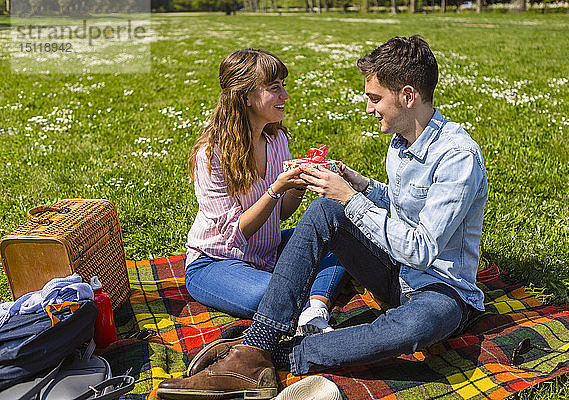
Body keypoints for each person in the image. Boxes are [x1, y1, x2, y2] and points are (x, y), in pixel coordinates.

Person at [158, 36, 488, 400]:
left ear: (407, 96)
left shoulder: (458, 157)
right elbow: (401, 203)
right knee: (325, 210)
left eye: (374, 98)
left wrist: (350, 198)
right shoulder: (402, 141)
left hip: (440, 289)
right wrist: (358, 184)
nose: (368, 108)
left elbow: (422, 249)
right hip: (394, 272)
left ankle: (274, 355)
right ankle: (259, 341)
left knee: (416, 325)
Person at [184, 48, 347, 336]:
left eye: (284, 86)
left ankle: (315, 310)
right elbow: (237, 233)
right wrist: (276, 188)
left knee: (342, 240)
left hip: (268, 253)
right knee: (271, 294)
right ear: (245, 97)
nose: (285, 95)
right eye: (274, 88)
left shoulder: (276, 139)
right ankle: (302, 300)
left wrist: (298, 184)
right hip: (216, 263)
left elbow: (281, 213)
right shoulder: (210, 156)